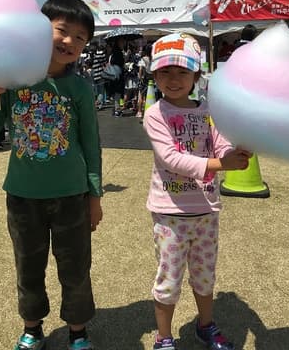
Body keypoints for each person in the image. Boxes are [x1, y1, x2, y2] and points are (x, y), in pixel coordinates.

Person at [0, 0, 103, 350]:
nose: (70, 42)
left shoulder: (78, 88)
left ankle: (78, 330)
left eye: (80, 37)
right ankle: (32, 327)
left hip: (72, 197)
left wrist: (95, 196)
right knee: (28, 267)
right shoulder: (13, 81)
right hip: (22, 196)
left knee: (75, 268)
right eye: (62, 30)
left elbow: (90, 144)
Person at [143, 32, 252, 350]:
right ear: (155, 75)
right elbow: (171, 159)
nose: (173, 78)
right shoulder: (155, 114)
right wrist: (222, 164)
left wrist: (241, 149)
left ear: (196, 74)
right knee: (168, 280)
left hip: (206, 212)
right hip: (170, 213)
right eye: (165, 71)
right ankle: (164, 338)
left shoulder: (209, 111)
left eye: (182, 71)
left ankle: (206, 326)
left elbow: (222, 145)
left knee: (205, 277)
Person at [108, 36, 125, 116]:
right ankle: (117, 110)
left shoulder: (113, 53)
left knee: (115, 93)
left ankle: (114, 109)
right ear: (118, 43)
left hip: (114, 75)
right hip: (118, 76)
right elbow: (119, 64)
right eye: (121, 42)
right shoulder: (118, 53)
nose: (123, 44)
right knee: (117, 93)